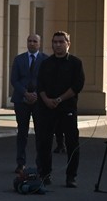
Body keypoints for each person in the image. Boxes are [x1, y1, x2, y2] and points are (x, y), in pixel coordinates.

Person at [35, 31, 85, 188]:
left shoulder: (75, 63)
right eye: (55, 42)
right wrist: (46, 100)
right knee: (44, 142)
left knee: (72, 142)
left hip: (67, 107)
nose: (57, 45)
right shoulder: (46, 63)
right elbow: (40, 84)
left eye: (61, 42)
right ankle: (45, 174)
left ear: (68, 43)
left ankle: (71, 176)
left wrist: (59, 99)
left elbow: (77, 85)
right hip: (47, 108)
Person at [9, 34, 46, 173]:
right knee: (22, 133)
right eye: (29, 41)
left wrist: (37, 93)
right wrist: (25, 93)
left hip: (39, 100)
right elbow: (14, 80)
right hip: (21, 99)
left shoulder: (45, 59)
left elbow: (46, 80)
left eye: (34, 41)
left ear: (39, 44)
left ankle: (40, 163)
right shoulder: (19, 59)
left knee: (40, 133)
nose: (31, 43)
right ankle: (20, 163)